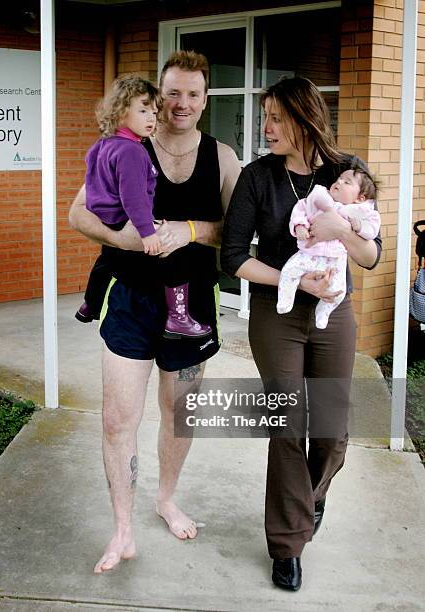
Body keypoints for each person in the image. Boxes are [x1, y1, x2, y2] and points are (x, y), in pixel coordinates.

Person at [69, 50, 241, 574]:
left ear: (205, 100)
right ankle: (122, 529)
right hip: (129, 301)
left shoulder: (223, 158)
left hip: (191, 304)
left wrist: (186, 230)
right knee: (117, 418)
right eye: (171, 93)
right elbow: (78, 213)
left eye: (192, 94)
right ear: (156, 96)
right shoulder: (125, 147)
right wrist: (123, 235)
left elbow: (236, 233)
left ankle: (165, 498)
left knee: (178, 411)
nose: (180, 103)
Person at [221, 76, 382, 591]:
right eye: (263, 117)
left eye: (275, 117)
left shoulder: (345, 173)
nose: (265, 128)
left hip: (335, 312)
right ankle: (288, 544)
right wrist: (292, 275)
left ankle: (312, 497)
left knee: (332, 430)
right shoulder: (256, 177)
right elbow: (233, 259)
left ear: (304, 117)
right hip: (279, 312)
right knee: (288, 425)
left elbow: (373, 255)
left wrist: (340, 233)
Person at [77, 74, 211, 340]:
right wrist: (148, 232)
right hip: (128, 218)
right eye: (142, 111)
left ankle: (90, 304)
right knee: (176, 256)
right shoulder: (133, 151)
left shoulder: (102, 145)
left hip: (105, 216)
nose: (151, 118)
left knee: (107, 259)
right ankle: (178, 318)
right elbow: (134, 198)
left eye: (153, 111)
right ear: (121, 112)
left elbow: (92, 177)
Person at [278, 162, 381, 328]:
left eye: (347, 182)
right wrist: (300, 226)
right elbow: (300, 209)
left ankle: (323, 312)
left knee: (338, 291)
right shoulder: (319, 197)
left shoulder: (361, 212)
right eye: (339, 179)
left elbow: (372, 231)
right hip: (308, 254)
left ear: (359, 198)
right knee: (289, 271)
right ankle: (285, 300)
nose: (339, 182)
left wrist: (359, 228)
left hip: (334, 261)